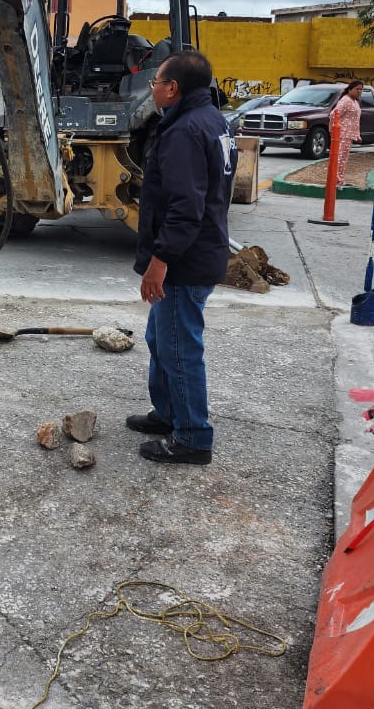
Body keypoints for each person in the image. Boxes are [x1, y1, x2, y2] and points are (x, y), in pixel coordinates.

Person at [128, 51, 236, 466]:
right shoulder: (212, 121)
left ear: (172, 88)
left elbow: (184, 207)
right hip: (201, 248)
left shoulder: (185, 131)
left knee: (178, 347)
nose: (152, 87)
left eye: (156, 80)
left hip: (185, 259)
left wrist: (161, 260)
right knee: (161, 337)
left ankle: (192, 437)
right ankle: (168, 414)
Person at [329, 80, 364, 187]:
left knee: (343, 159)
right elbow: (334, 114)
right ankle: (335, 180)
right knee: (339, 158)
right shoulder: (345, 100)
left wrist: (357, 135)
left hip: (349, 136)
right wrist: (334, 130)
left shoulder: (355, 102)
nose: (359, 91)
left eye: (361, 89)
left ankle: (340, 179)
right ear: (350, 90)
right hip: (342, 134)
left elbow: (355, 120)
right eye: (357, 89)